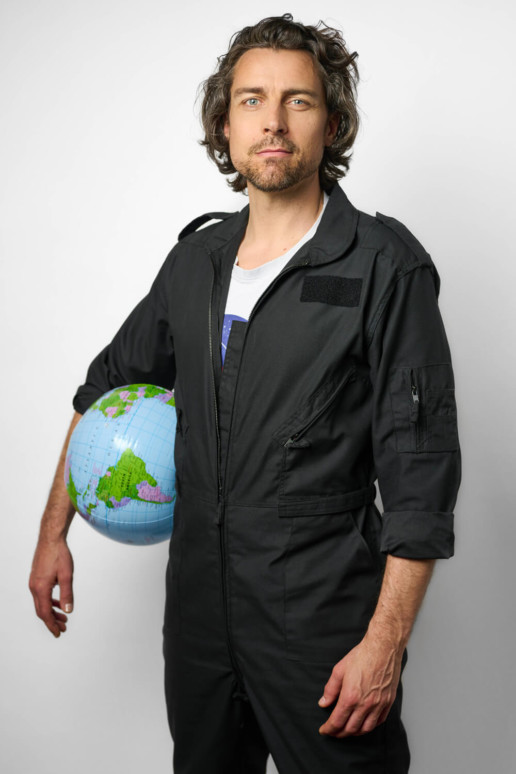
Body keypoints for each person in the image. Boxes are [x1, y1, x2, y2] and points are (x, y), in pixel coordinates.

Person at [29, 13, 461, 774]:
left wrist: (385, 644)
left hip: (319, 620)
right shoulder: (195, 262)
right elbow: (107, 388)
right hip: (198, 618)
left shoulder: (384, 266)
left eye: (299, 100)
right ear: (224, 126)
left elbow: (421, 478)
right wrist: (52, 532)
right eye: (252, 99)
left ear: (332, 124)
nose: (274, 121)